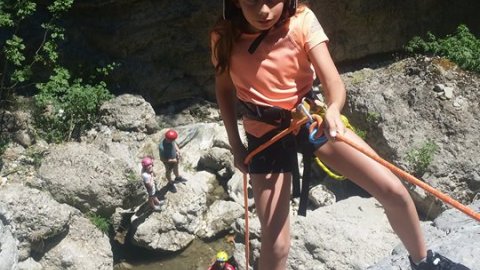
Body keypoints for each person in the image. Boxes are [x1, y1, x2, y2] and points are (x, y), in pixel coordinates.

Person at [210, 1, 471, 270]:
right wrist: (235, 144)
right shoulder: (224, 36)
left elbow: (332, 80)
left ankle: (424, 262)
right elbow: (224, 89)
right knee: (276, 245)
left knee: (393, 190)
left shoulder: (301, 21)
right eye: (252, 1)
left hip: (312, 120)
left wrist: (334, 108)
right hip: (264, 135)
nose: (263, 10)